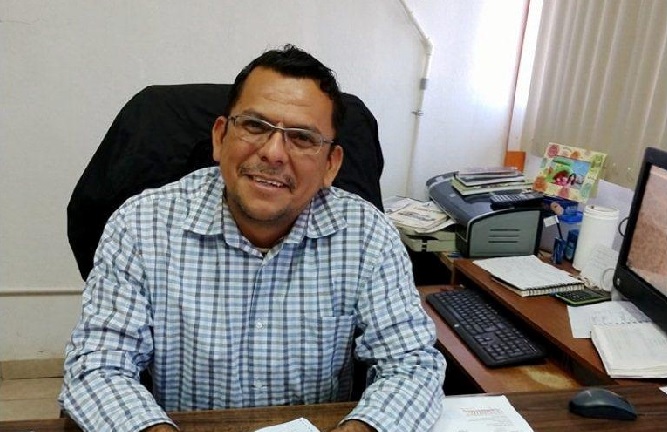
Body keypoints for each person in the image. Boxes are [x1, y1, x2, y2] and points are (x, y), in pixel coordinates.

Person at [59, 45, 445, 432]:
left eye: (302, 138)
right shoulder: (140, 226)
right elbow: (98, 366)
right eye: (255, 127)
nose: (273, 153)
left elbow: (410, 363)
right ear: (220, 137)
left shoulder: (366, 234)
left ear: (330, 165)